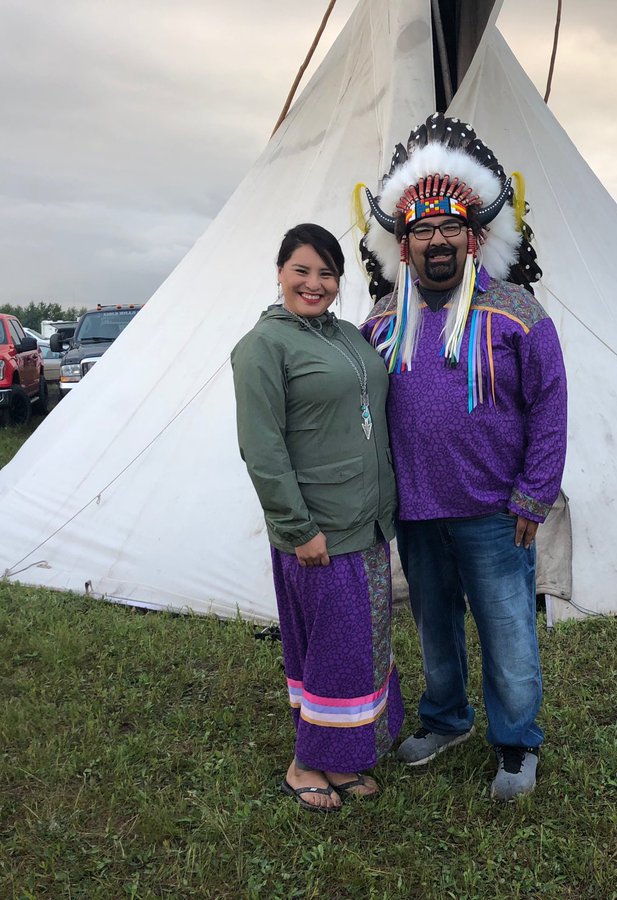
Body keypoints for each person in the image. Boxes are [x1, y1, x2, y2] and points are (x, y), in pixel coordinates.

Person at [358, 115, 567, 801]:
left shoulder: (517, 313)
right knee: (434, 629)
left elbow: (550, 404)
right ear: (403, 244)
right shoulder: (381, 322)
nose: (438, 240)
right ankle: (446, 719)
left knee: (508, 630)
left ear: (474, 237)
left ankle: (516, 742)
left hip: (494, 513)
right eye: (422, 230)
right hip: (416, 511)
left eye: (451, 227)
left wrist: (535, 493)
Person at [231, 223, 402, 812]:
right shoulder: (263, 346)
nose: (314, 283)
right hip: (320, 527)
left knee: (359, 643)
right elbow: (262, 448)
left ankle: (340, 756)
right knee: (332, 645)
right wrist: (298, 529)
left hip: (368, 520)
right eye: (301, 270)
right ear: (280, 273)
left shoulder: (348, 334)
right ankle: (306, 762)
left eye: (327, 273)